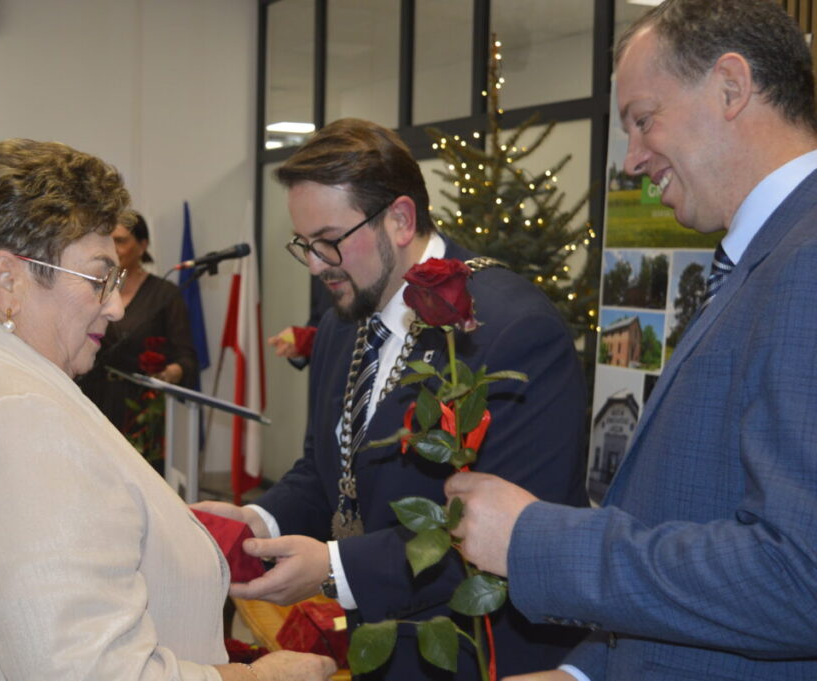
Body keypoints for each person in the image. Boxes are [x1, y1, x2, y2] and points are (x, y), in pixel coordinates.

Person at [0, 138, 334, 681]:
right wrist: (266, 677)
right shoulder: (14, 419)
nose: (116, 304)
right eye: (99, 277)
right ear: (8, 280)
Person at [445, 1, 817, 679]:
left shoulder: (807, 259)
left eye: (643, 120)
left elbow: (798, 576)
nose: (634, 158)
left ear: (732, 86)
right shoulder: (765, 257)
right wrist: (582, 671)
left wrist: (537, 539)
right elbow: (694, 519)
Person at [196, 118, 589, 679]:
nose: (315, 264)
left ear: (401, 220)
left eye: (329, 240)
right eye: (304, 244)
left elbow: (516, 538)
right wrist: (259, 521)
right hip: (382, 647)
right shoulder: (345, 316)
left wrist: (332, 567)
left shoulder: (513, 329)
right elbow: (328, 468)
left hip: (483, 656)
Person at [78, 209, 198, 465]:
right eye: (109, 240)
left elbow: (186, 357)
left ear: (142, 246)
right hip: (92, 399)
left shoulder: (165, 294)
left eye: (121, 240)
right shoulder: (92, 287)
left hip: (140, 413)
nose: (113, 248)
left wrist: (171, 373)